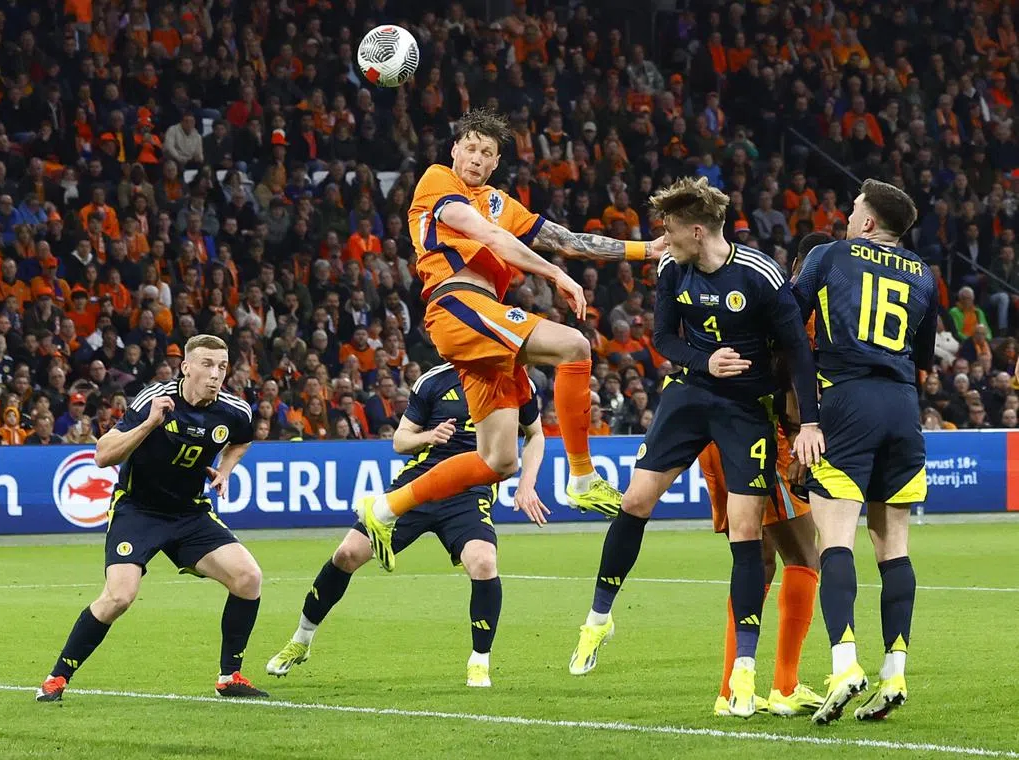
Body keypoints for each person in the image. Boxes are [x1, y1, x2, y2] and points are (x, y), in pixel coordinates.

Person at [356, 107, 660, 572]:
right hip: (458, 304)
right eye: (471, 147)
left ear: (496, 163)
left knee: (499, 461)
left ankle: (382, 510)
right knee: (575, 347)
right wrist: (556, 274)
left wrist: (645, 250)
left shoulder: (500, 201)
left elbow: (567, 238)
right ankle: (581, 477)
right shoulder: (437, 181)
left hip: (480, 327)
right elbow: (489, 237)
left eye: (487, 152)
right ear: (455, 150)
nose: (476, 158)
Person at [567, 176, 823, 721]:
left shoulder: (760, 276)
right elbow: (663, 338)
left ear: (698, 231)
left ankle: (746, 673)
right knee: (635, 501)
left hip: (746, 409)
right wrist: (703, 361)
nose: (662, 239)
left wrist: (810, 422)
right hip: (690, 393)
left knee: (749, 533)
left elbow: (798, 352)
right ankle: (599, 617)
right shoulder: (670, 269)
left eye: (670, 230)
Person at [266, 365, 547, 688]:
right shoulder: (434, 379)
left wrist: (528, 483)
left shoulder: (513, 377)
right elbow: (400, 441)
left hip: (469, 491)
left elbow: (535, 433)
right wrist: (431, 436)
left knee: (483, 561)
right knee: (347, 553)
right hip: (421, 481)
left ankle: (479, 662)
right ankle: (301, 640)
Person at [36, 334, 267, 702]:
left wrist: (225, 468)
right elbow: (102, 455)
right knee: (119, 597)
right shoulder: (154, 400)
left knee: (248, 577)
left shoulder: (234, 411)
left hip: (190, 513)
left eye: (222, 366)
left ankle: (230, 676)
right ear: (185, 367)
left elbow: (242, 440)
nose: (215, 374)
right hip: (138, 510)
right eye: (207, 364)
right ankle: (56, 678)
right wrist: (148, 425)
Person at [792, 179, 937, 724]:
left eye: (853, 209)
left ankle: (844, 664)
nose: (847, 216)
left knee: (835, 539)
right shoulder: (925, 274)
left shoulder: (830, 255)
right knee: (894, 547)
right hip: (903, 406)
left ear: (870, 223)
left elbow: (789, 319)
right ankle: (894, 671)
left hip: (847, 402)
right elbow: (923, 353)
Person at [705, 231, 834, 718]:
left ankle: (729, 691)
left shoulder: (748, 295)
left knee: (755, 563)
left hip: (719, 433)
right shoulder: (796, 304)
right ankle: (784, 684)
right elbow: (789, 370)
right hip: (762, 439)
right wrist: (803, 434)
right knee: (805, 555)